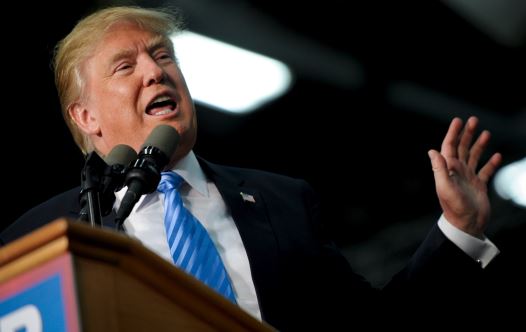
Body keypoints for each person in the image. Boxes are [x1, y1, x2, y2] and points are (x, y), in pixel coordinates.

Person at [0, 6, 503, 330]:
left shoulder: (283, 203)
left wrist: (459, 231)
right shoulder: (35, 241)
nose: (156, 71)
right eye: (125, 66)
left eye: (162, 56)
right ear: (86, 117)